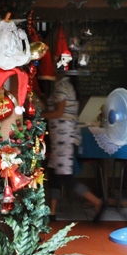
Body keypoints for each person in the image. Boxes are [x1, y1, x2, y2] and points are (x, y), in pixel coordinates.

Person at [42, 72, 104, 221]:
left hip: (63, 138)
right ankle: (52, 212)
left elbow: (58, 112)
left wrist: (40, 115)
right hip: (60, 139)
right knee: (54, 173)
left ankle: (97, 202)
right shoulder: (66, 85)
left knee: (66, 178)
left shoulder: (62, 86)